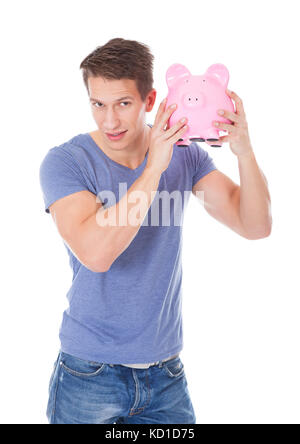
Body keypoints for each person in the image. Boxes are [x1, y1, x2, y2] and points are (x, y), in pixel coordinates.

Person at [39, 38, 272, 425]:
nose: (109, 120)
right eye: (98, 104)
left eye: (123, 104)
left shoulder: (186, 155)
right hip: (89, 374)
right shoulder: (66, 161)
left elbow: (256, 225)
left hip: (165, 377)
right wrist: (152, 170)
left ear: (150, 101)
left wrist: (244, 150)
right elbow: (96, 254)